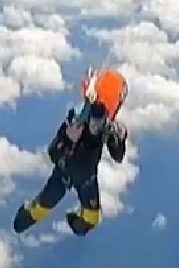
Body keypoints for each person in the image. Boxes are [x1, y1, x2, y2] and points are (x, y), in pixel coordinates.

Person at [13, 100, 128, 236]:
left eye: (99, 121)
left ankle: (73, 219)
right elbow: (53, 154)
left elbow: (118, 157)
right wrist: (67, 139)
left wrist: (120, 140)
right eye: (94, 121)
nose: (96, 126)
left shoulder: (106, 129)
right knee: (36, 213)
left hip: (86, 180)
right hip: (63, 176)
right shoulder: (74, 123)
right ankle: (22, 217)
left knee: (91, 219)